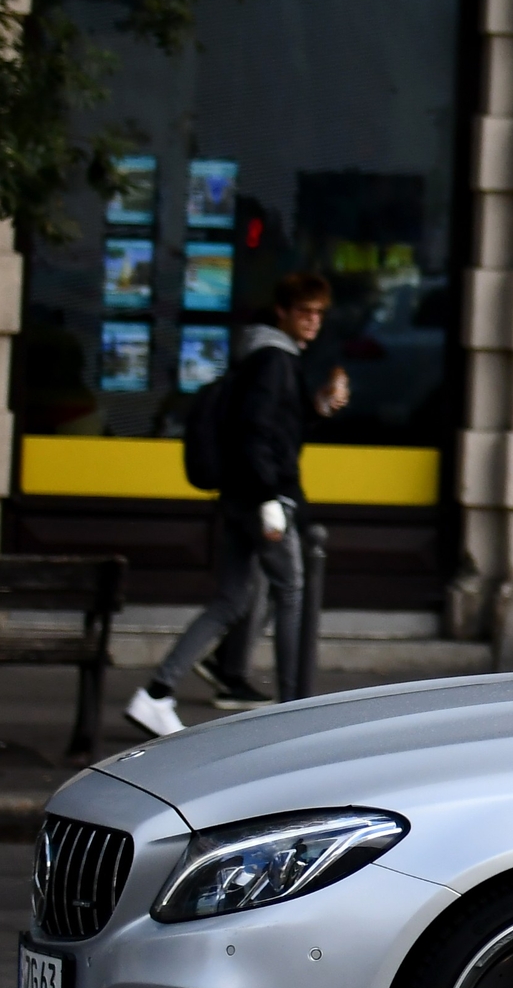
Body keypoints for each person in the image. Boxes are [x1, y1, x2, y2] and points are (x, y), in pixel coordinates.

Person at [126, 274, 348, 737]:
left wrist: (319, 407)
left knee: (231, 599)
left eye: (319, 314)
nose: (313, 322)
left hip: (239, 496)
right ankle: (294, 707)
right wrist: (270, 497)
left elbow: (275, 426)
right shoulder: (273, 360)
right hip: (261, 498)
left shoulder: (266, 357)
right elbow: (256, 432)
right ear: (283, 312)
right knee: (290, 591)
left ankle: (155, 693)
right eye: (305, 312)